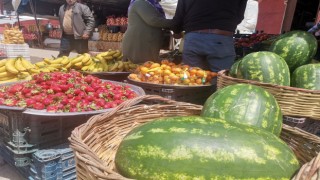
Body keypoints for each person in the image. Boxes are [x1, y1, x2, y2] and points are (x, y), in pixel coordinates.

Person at [171, 0, 248, 73]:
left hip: (194, 38)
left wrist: (177, 32)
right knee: (221, 81)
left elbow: (179, 17)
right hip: (221, 39)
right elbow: (239, 16)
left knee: (193, 79)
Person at [122, 0, 172, 64]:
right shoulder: (140, 2)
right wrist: (174, 23)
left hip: (147, 43)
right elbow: (153, 20)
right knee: (139, 68)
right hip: (138, 43)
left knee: (147, 67)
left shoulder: (153, 6)